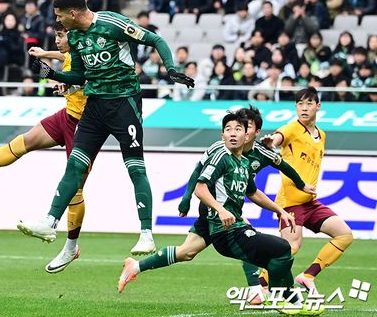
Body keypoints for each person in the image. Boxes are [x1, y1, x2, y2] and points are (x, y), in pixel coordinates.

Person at [18, 0, 194, 255]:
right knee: (75, 165)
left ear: (73, 13)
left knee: (135, 169)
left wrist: (170, 69)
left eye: (60, 16)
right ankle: (49, 222)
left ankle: (146, 235)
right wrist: (51, 73)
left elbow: (155, 39)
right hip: (95, 107)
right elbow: (79, 76)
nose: (58, 21)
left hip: (124, 104)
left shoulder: (113, 24)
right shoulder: (75, 37)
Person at [118, 108, 314, 300]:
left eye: (242, 128)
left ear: (253, 132)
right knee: (250, 237)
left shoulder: (249, 159)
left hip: (226, 211)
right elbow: (199, 176)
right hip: (215, 209)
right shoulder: (220, 152)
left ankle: (136, 266)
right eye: (231, 129)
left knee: (186, 252)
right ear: (223, 134)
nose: (237, 133)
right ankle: (259, 291)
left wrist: (282, 207)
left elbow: (256, 188)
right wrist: (188, 199)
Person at [0, 22, 91, 273]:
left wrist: (64, 83)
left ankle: (71, 247)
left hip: (85, 124)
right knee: (26, 141)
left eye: (60, 35)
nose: (57, 40)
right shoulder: (72, 52)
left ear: (73, 37)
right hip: (67, 115)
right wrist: (45, 54)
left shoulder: (88, 56)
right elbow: (65, 56)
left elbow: (85, 78)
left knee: (75, 188)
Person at [260, 87, 354, 295]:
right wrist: (271, 142)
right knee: (290, 247)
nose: (304, 108)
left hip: (310, 203)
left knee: (344, 235)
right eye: (300, 104)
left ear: (317, 106)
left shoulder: (322, 135)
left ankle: (308, 276)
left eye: (309, 103)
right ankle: (261, 284)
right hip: (290, 202)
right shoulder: (292, 128)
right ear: (295, 107)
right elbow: (278, 137)